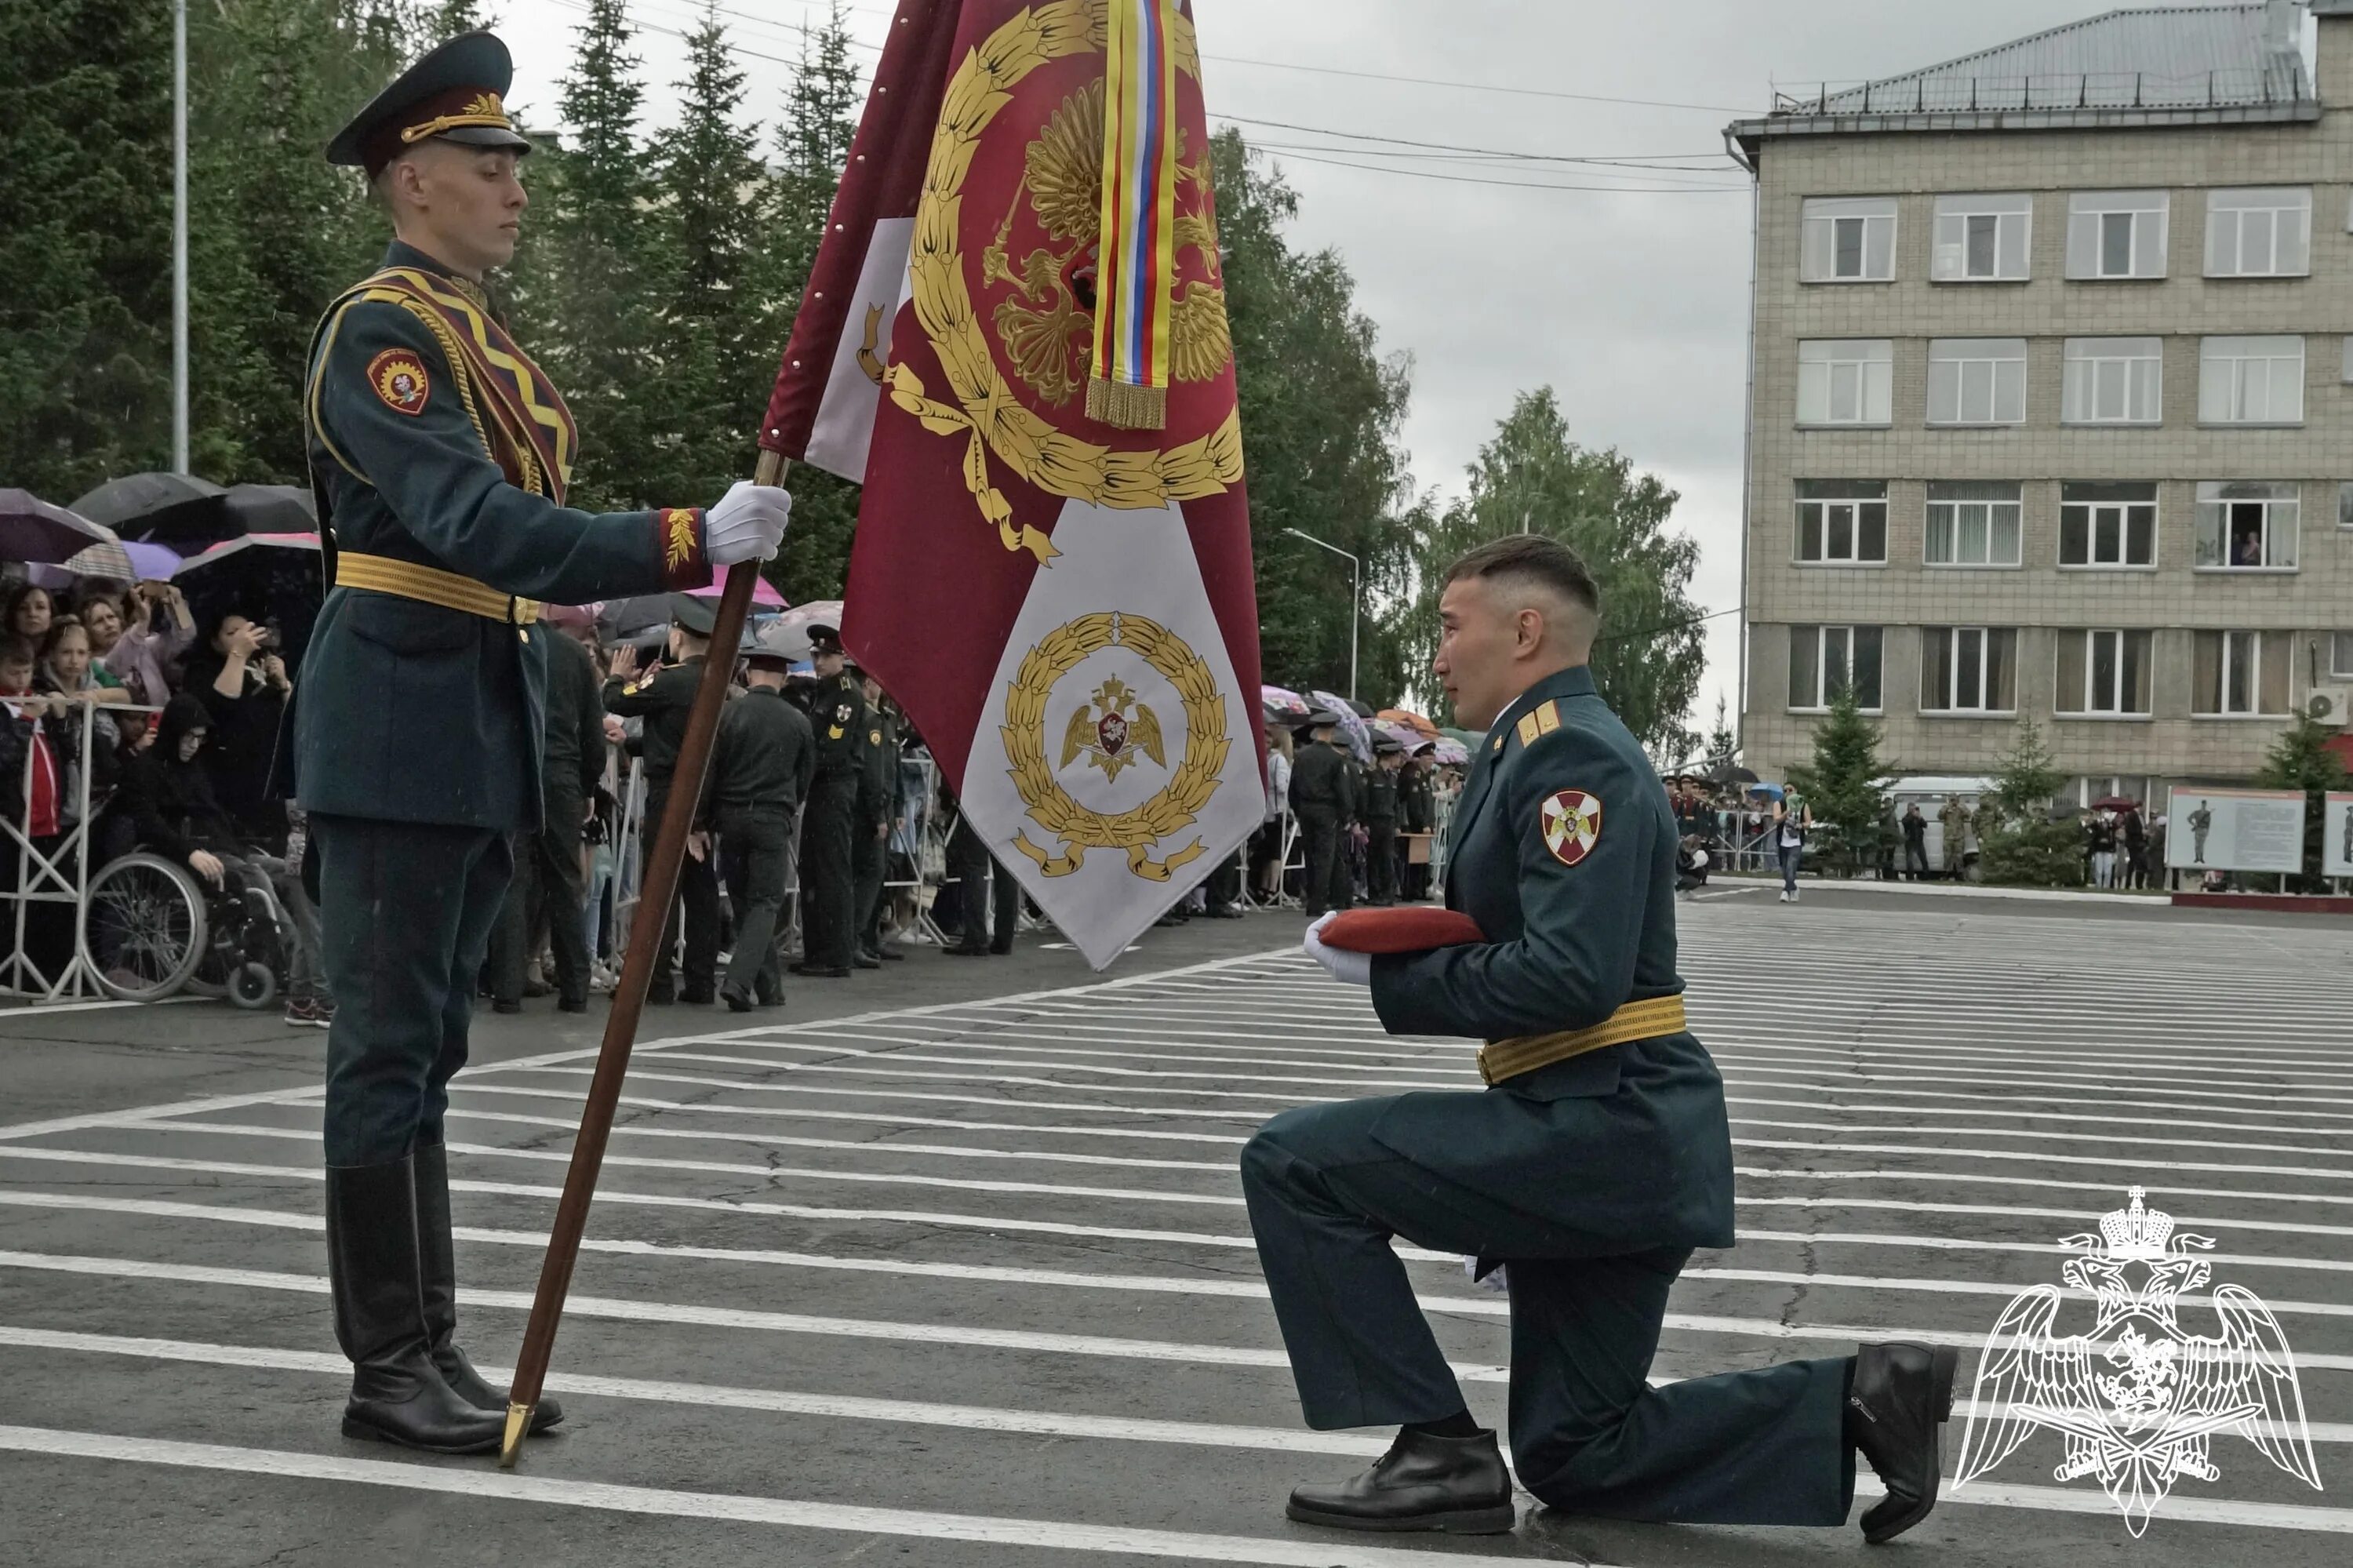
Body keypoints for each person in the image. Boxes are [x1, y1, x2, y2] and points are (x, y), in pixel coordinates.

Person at [1245, 535, 1954, 1543]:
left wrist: (1398, 977)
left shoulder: (1573, 755)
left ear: (1525, 630)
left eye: (1453, 627)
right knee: (1579, 1450)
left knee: (1293, 1164)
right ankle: (1863, 1398)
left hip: (1602, 1124)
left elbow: (1574, 976)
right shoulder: (1528, 745)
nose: (1439, 655)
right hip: (1610, 1130)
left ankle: (1438, 1450)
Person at [294, 31, 790, 1457]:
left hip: (467, 699)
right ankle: (387, 1360)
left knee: (429, 1043)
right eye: (487, 164)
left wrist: (674, 541)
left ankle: (429, 1347)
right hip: (400, 706)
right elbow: (471, 524)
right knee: (388, 1044)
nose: (516, 187)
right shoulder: (382, 334)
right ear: (411, 181)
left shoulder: (480, 336)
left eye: (517, 163)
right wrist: (682, 539)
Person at [602, 602, 723, 1005]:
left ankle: (654, 982)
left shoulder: (673, 681)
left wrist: (616, 678)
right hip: (706, 794)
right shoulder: (719, 680)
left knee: (661, 890)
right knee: (701, 892)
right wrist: (636, 744)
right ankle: (702, 980)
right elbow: (680, 737)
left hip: (670, 793)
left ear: (678, 635)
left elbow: (619, 701)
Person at [487, 603, 604, 1013]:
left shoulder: (502, 646)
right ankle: (575, 986)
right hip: (560, 773)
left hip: (514, 769)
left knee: (511, 878)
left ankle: (506, 985)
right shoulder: (573, 655)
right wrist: (588, 783)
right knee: (565, 881)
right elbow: (592, 728)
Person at [711, 626, 813, 1011]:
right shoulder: (798, 721)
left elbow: (711, 770)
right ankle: (738, 982)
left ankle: (770, 988)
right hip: (772, 818)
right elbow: (804, 777)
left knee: (744, 902)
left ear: (749, 674)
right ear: (783, 678)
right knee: (767, 902)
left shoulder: (728, 714)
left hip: (730, 817)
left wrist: (702, 820)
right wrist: (787, 806)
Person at [184, 609, 293, 848]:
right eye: (233, 633)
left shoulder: (262, 670)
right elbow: (222, 703)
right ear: (214, 641)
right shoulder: (203, 670)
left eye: (247, 631)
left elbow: (294, 718)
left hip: (267, 777)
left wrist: (283, 684)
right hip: (228, 777)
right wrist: (237, 655)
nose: (243, 637)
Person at [795, 627, 864, 977]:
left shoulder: (847, 697)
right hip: (819, 788)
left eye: (825, 656)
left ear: (841, 657)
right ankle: (817, 949)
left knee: (831, 869)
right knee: (812, 868)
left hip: (835, 787)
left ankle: (836, 953)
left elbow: (832, 749)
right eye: (815, 655)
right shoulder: (820, 692)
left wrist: (800, 766)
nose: (818, 661)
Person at [849, 660, 900, 966]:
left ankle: (869, 938)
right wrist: (879, 814)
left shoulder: (886, 718)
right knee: (870, 873)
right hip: (870, 807)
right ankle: (856, 938)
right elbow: (872, 772)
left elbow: (892, 765)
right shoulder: (868, 719)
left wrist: (896, 805)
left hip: (886, 802)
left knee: (879, 876)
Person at [1289, 714, 1355, 918]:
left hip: (1306, 809)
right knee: (1325, 858)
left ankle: (1311, 897)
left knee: (1309, 855)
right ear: (1332, 731)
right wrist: (1346, 817)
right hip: (1327, 811)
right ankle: (1318, 903)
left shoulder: (1301, 755)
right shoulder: (1335, 759)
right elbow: (1342, 791)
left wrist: (1298, 810)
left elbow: (1293, 787)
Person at [96, 583, 195, 708]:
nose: (108, 624)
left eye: (111, 617)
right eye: (99, 621)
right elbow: (115, 667)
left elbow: (186, 637)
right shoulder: (92, 664)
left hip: (160, 720)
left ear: (120, 620)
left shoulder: (147, 646)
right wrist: (142, 622)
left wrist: (175, 604)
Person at [1251, 726, 1294, 902]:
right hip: (1278, 811)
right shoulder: (1280, 760)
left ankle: (1263, 887)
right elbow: (1282, 786)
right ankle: (1273, 888)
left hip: (1266, 811)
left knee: (1268, 852)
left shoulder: (1267, 759)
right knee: (1276, 853)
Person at [1362, 739, 1403, 905]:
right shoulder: (1371, 775)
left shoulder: (1392, 777)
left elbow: (1396, 803)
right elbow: (1365, 801)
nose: (1399, 760)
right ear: (1388, 757)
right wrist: (1364, 822)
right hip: (1374, 821)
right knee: (1373, 859)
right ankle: (1375, 893)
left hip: (1388, 822)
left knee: (1387, 858)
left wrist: (1398, 824)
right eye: (1396, 757)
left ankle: (1388, 894)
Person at [1398, 749, 1435, 901]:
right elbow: (1415, 804)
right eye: (1427, 758)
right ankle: (1410, 890)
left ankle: (1420, 889)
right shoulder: (1415, 776)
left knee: (1422, 859)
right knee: (1411, 860)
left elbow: (1428, 803)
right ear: (1419, 759)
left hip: (1426, 825)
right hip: (1415, 825)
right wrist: (1423, 823)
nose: (1431, 761)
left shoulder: (1425, 777)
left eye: (1432, 758)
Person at [1773, 789, 1811, 901]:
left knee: (1791, 867)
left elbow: (1808, 822)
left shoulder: (1803, 804)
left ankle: (1785, 891)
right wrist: (1785, 814)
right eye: (1785, 790)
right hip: (1783, 842)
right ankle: (1793, 888)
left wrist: (1801, 825)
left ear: (1796, 791)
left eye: (1790, 790)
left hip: (1796, 842)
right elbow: (1776, 819)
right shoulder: (1780, 804)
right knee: (1785, 870)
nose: (1788, 792)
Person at [1937, 794, 1969, 879]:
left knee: (1959, 857)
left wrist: (1960, 807)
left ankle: (1960, 874)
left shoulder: (1961, 808)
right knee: (1947, 856)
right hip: (1948, 837)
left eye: (1954, 800)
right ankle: (1946, 873)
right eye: (1951, 800)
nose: (1953, 802)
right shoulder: (1945, 808)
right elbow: (1939, 816)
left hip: (1959, 837)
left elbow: (1968, 815)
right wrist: (1947, 807)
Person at [2088, 810, 2118, 890]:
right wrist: (2097, 820)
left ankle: (2106, 887)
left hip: (2108, 850)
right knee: (2099, 871)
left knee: (2108, 871)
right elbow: (2092, 828)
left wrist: (2111, 822)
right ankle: (2099, 886)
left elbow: (2115, 830)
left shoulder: (2111, 826)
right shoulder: (2097, 825)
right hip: (2099, 850)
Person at [1900, 802, 1929, 880]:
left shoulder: (1918, 818)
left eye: (1914, 809)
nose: (1913, 811)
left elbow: (1925, 825)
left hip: (1919, 841)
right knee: (1910, 860)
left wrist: (1920, 817)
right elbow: (1906, 823)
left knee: (1924, 859)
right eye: (1911, 809)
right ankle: (1910, 877)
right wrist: (1913, 816)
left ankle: (1926, 876)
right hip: (1910, 842)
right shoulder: (1905, 818)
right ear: (1908, 810)